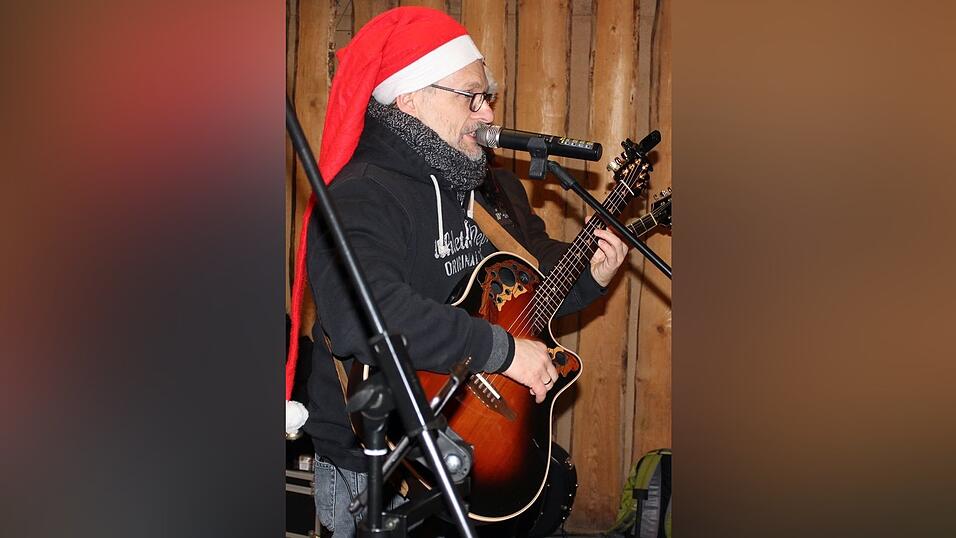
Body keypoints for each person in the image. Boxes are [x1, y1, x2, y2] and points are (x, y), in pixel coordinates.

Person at [293, 7, 631, 537]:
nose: (486, 112)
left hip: (474, 438)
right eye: (470, 96)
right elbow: (366, 316)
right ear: (409, 99)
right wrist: (502, 350)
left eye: (488, 96)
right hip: (381, 465)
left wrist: (591, 276)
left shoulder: (490, 188)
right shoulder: (362, 196)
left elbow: (531, 288)